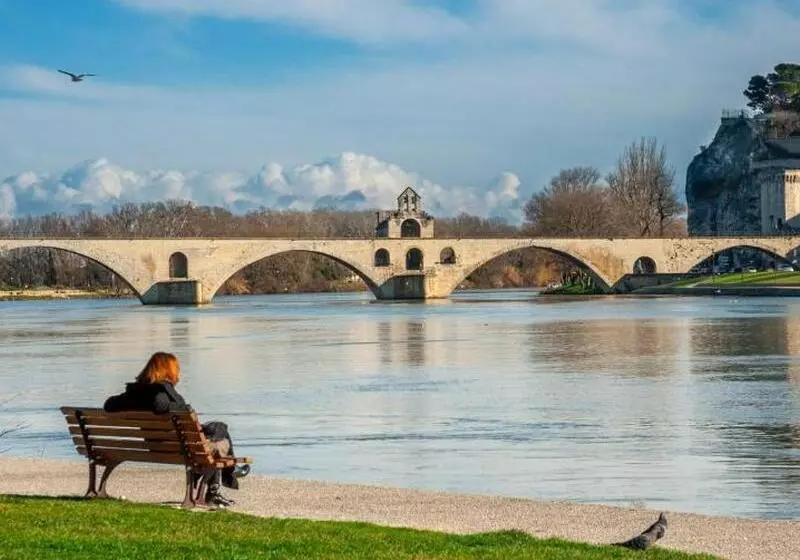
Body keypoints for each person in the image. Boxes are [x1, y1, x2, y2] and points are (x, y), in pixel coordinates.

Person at [103, 351, 249, 507]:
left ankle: (227, 476)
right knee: (221, 436)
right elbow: (160, 405)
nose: (178, 373)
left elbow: (108, 404)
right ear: (168, 371)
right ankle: (226, 476)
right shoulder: (161, 390)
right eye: (176, 369)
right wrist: (184, 408)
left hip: (156, 445)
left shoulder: (136, 392)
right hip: (182, 448)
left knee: (217, 428)